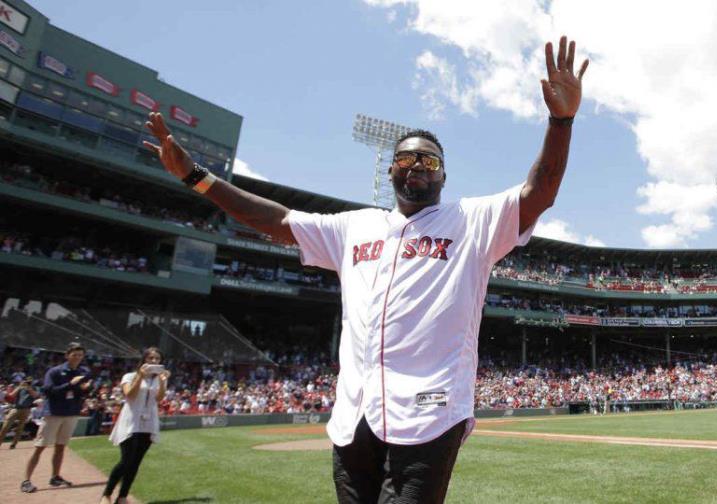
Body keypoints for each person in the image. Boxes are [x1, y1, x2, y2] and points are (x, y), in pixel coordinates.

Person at [143, 35, 587, 504]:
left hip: (430, 413)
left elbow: (542, 188)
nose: (416, 164)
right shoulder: (353, 227)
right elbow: (275, 219)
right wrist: (198, 178)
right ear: (391, 171)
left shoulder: (473, 221)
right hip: (355, 414)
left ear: (443, 176)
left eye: (429, 159)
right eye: (405, 157)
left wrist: (561, 121)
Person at [100, 347, 169, 504]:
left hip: (149, 422)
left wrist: (163, 383)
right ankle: (107, 494)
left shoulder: (160, 378)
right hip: (131, 420)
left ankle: (123, 496)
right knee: (126, 461)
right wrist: (140, 376)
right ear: (144, 360)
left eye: (157, 359)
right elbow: (129, 394)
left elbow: (159, 399)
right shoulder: (130, 376)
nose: (154, 361)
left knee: (136, 462)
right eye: (150, 358)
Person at [21, 342, 92, 494]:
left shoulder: (82, 372)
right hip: (53, 413)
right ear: (67, 355)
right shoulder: (55, 371)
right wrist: (70, 384)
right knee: (40, 447)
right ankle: (26, 480)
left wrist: (85, 389)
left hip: (71, 413)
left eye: (80, 355)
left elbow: (81, 393)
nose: (77, 358)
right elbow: (48, 391)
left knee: (61, 447)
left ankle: (55, 476)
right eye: (75, 354)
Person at [0, 376, 40, 448]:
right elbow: (11, 395)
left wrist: (29, 388)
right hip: (16, 408)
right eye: (27, 381)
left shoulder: (34, 388)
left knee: (20, 428)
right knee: (5, 426)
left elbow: (36, 395)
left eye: (29, 381)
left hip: (26, 409)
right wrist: (19, 387)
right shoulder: (20, 388)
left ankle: (14, 444)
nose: (28, 383)